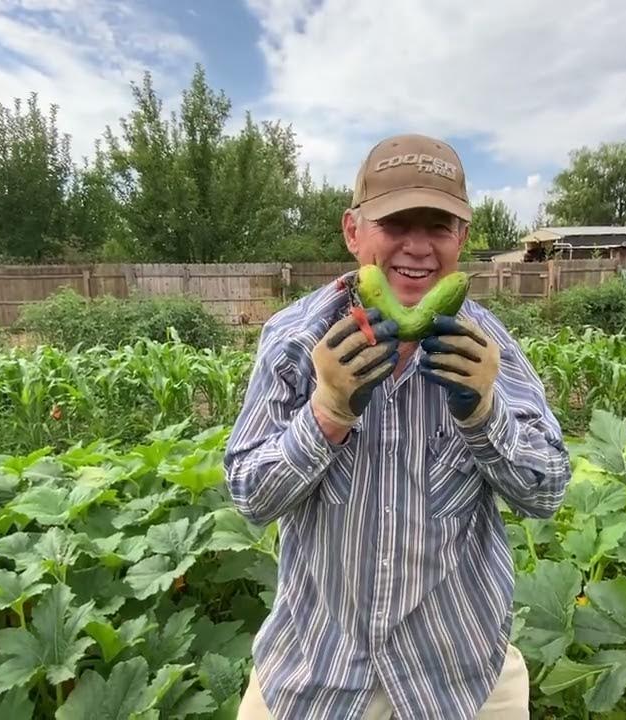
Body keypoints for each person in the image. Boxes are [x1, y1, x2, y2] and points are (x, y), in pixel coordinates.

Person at [223, 133, 572, 719]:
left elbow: (547, 492)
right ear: (353, 230)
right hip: (316, 671)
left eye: (438, 226)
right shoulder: (295, 339)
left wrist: (485, 413)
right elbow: (250, 498)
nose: (418, 247)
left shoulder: (489, 347)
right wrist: (327, 412)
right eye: (395, 223)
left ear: (462, 238)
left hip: (460, 675)